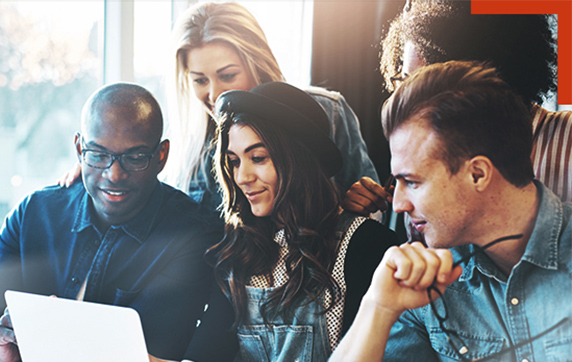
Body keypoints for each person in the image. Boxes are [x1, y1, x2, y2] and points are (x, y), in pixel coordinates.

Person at [0, 83, 221, 362]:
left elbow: (148, 355)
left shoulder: (191, 234)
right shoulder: (35, 212)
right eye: (99, 155)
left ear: (161, 156)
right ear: (79, 149)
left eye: (135, 158)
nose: (114, 174)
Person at [329, 61, 571, 361]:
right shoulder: (429, 282)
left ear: (478, 174)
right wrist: (377, 307)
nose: (398, 203)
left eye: (412, 182)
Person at [59, 1, 379, 215]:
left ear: (258, 63)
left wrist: (361, 202)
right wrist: (99, 166)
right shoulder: (188, 145)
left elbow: (375, 207)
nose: (214, 94)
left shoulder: (326, 111)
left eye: (227, 75)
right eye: (199, 80)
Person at [181, 82, 398, 361]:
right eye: (234, 161)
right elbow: (205, 352)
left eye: (258, 158)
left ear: (299, 160)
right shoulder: (240, 250)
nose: (242, 177)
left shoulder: (365, 245)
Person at [346, 0, 571, 221]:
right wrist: (366, 220)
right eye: (404, 82)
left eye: (427, 87)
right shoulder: (421, 163)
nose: (409, 102)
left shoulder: (566, 143)